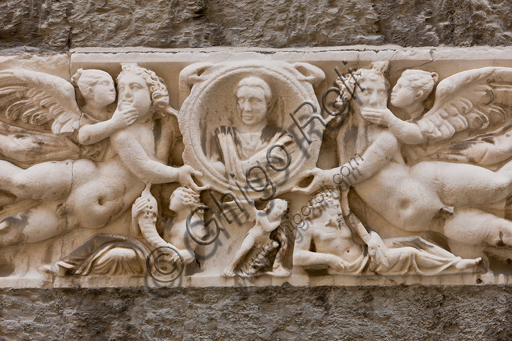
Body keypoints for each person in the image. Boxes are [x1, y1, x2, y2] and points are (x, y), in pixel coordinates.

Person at [293, 62, 512, 249]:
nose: (376, 99)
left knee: (499, 185)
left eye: (381, 93)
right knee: (496, 231)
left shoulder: (388, 133)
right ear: (351, 96)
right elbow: (307, 128)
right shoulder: (339, 134)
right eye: (366, 92)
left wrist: (326, 177)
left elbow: (364, 167)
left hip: (427, 179)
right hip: (414, 216)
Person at [0, 63, 203, 246]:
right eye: (121, 89)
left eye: (135, 87)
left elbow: (188, 124)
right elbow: (144, 169)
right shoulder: (120, 131)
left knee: (11, 232)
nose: (127, 94)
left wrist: (184, 82)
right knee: (20, 183)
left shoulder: (164, 128)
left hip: (82, 216)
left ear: (154, 94)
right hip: (78, 177)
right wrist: (177, 174)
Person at [208, 76, 295, 182]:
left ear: (269, 105)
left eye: (255, 101)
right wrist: (255, 163)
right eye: (241, 100)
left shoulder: (283, 139)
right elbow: (215, 171)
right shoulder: (222, 136)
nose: (246, 108)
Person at [221, 199, 288, 277]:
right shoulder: (261, 214)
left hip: (265, 239)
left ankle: (261, 268)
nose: (281, 212)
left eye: (283, 210)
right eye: (279, 208)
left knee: (275, 244)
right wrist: (277, 223)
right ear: (270, 206)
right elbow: (268, 228)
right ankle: (230, 267)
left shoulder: (278, 219)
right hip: (253, 236)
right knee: (244, 249)